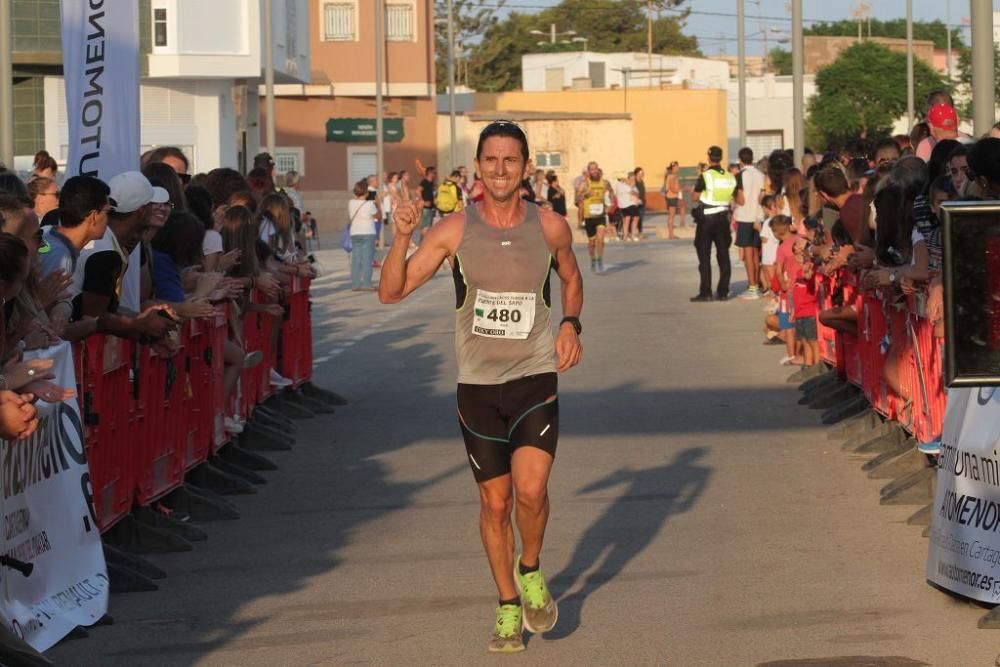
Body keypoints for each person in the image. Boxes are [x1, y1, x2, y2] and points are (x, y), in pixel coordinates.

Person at [379, 120, 583, 654]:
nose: (499, 170)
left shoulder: (551, 226)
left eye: (510, 161)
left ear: (525, 167)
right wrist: (403, 236)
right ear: (477, 165)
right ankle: (508, 604)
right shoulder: (452, 230)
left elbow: (570, 277)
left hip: (533, 377)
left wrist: (569, 324)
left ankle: (532, 568)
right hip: (477, 388)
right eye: (490, 160)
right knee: (495, 505)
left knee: (532, 491)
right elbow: (391, 293)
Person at [691, 145, 740, 302]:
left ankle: (706, 292)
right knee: (723, 255)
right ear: (721, 157)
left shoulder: (706, 176)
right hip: (723, 219)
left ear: (709, 157)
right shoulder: (730, 177)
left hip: (706, 219)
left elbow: (694, 197)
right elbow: (738, 198)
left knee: (704, 256)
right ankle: (723, 291)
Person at [733, 147, 765, 299]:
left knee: (747, 253)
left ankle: (752, 286)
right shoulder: (761, 174)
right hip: (758, 217)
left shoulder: (739, 176)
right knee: (756, 254)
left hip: (745, 217)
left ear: (740, 160)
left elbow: (741, 200)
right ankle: (757, 284)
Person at [576, 161, 613, 273]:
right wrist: (585, 195)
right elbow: (577, 198)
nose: (595, 171)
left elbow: (611, 193)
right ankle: (593, 258)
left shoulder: (605, 182)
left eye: (596, 169)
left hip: (600, 215)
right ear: (589, 171)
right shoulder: (584, 183)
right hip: (589, 216)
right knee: (592, 243)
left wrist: (608, 204)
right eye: (592, 169)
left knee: (600, 239)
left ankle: (600, 260)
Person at [347, 180, 379, 291]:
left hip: (355, 233)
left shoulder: (351, 203)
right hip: (368, 232)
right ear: (366, 192)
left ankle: (355, 284)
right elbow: (378, 216)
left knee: (356, 258)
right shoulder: (370, 204)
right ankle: (366, 284)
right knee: (367, 259)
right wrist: (376, 202)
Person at [415, 166, 437, 246]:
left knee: (428, 227)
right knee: (425, 227)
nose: (435, 175)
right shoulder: (424, 182)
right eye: (434, 173)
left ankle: (422, 244)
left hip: (431, 208)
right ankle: (423, 244)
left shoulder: (432, 183)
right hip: (426, 208)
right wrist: (423, 202)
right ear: (430, 173)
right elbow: (417, 191)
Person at [663, 161, 684, 239]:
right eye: (676, 167)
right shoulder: (672, 176)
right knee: (671, 216)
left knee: (672, 215)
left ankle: (671, 234)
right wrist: (682, 189)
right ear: (673, 168)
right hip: (672, 197)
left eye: (678, 167)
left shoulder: (672, 175)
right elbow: (672, 188)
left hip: (672, 197)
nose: (678, 168)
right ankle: (671, 234)